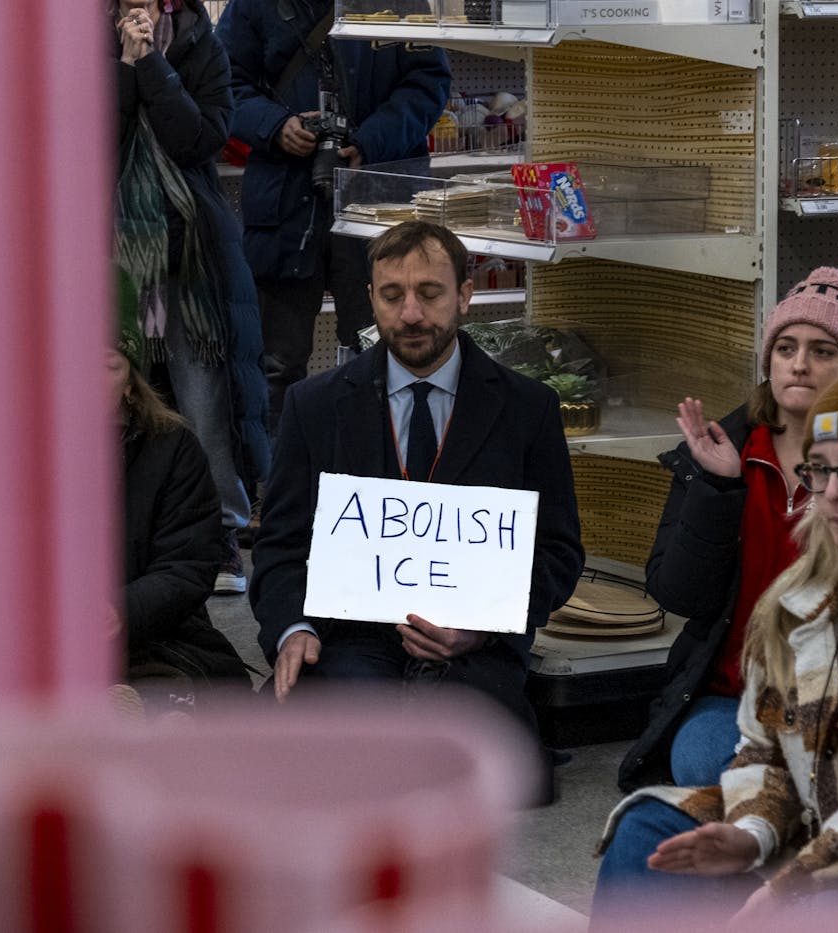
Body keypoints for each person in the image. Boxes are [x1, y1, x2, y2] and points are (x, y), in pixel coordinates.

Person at [592, 344, 838, 928]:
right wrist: (752, 834)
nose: (835, 491)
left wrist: (789, 882)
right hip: (806, 828)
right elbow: (761, 749)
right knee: (647, 831)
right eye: (820, 469)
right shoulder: (799, 599)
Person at [247, 221, 584, 786]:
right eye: (391, 294)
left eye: (429, 293)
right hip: (348, 637)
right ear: (369, 298)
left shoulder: (529, 409)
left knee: (489, 771)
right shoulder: (315, 406)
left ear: (465, 296)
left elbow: (557, 551)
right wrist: (292, 628)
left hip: (475, 648)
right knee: (334, 761)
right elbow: (281, 545)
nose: (410, 314)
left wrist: (483, 627)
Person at [616, 268, 838, 794]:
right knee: (709, 764)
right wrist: (719, 489)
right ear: (768, 361)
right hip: (728, 697)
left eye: (824, 351)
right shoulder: (724, 452)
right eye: (786, 348)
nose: (800, 364)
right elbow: (676, 594)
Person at [215, 0, 451, 436]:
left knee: (382, 357)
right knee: (275, 366)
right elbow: (225, 81)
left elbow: (429, 82)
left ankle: (380, 482)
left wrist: (369, 142)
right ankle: (280, 492)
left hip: (376, 198)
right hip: (286, 204)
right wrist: (275, 126)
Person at [111, 0, 269, 595]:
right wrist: (124, 65)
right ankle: (134, 535)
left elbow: (199, 138)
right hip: (117, 261)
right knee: (131, 393)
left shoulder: (204, 41)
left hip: (189, 260)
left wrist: (150, 64)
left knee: (204, 397)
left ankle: (221, 533)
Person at [111, 269, 250, 708]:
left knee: (205, 697)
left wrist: (119, 611)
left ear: (132, 381)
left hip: (153, 634)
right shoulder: (4, 453)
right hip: (31, 646)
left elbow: (188, 565)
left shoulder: (172, 447)